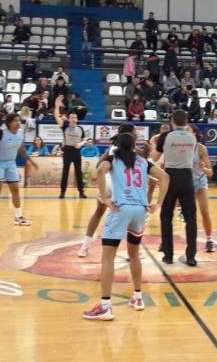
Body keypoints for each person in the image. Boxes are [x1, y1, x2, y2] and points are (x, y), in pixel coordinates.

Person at [81, 133, 169, 321]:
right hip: (140, 210)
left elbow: (99, 172)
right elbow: (165, 177)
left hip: (121, 209)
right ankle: (137, 297)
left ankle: (105, 307)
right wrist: (158, 203)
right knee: (134, 255)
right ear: (133, 145)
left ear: (117, 145)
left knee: (108, 258)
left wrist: (105, 198)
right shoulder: (143, 161)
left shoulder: (113, 159)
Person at [78, 124, 139, 258]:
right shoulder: (131, 149)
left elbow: (99, 164)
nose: (137, 134)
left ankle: (84, 248)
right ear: (129, 134)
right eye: (135, 132)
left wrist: (97, 175)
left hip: (106, 182)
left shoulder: (112, 147)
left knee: (98, 212)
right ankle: (131, 252)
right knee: (129, 218)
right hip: (119, 185)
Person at [155, 110, 199, 265]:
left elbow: (156, 155)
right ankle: (191, 256)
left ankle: (168, 255)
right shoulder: (193, 137)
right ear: (186, 121)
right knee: (191, 218)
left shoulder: (165, 136)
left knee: (166, 216)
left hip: (170, 176)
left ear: (172, 121)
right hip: (187, 177)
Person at [0, 114, 36, 229]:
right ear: (9, 123)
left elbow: (21, 149)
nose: (18, 123)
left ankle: (18, 217)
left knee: (15, 190)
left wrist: (30, 161)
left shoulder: (20, 133)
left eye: (19, 120)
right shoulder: (0, 133)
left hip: (11, 163)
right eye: (15, 121)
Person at [187, 125, 217, 253]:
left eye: (188, 131)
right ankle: (167, 240)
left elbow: (210, 173)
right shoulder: (180, 147)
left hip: (199, 181)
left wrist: (203, 168)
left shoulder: (200, 148)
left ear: (195, 134)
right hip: (186, 183)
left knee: (204, 211)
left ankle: (209, 240)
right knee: (170, 210)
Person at [52, 96, 87, 198]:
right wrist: (57, 106)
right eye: (71, 117)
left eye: (75, 117)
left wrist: (80, 144)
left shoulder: (80, 129)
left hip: (76, 152)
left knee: (78, 172)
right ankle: (62, 192)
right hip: (67, 150)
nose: (73, 119)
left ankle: (81, 192)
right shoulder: (65, 126)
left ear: (77, 119)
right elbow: (56, 116)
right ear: (69, 119)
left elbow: (84, 140)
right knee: (65, 172)